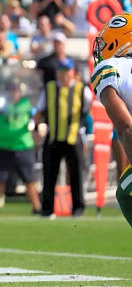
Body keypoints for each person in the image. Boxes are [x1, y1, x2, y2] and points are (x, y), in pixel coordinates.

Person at [36, 58, 90, 219]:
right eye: (61, 71)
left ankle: (78, 208)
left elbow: (88, 111)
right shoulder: (50, 88)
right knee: (49, 174)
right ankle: (47, 209)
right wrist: (35, 128)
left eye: (67, 71)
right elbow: (39, 110)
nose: (64, 74)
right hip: (53, 137)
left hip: (74, 137)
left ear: (72, 72)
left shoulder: (81, 89)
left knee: (76, 175)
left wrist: (86, 133)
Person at [92, 14, 132, 227]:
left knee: (126, 192)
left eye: (104, 43)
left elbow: (127, 127)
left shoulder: (110, 67)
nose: (101, 50)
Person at [0, 80, 42, 216]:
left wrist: (35, 127)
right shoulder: (0, 104)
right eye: (11, 90)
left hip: (23, 146)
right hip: (4, 145)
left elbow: (36, 117)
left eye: (16, 90)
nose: (13, 93)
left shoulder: (26, 105)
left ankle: (37, 207)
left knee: (29, 180)